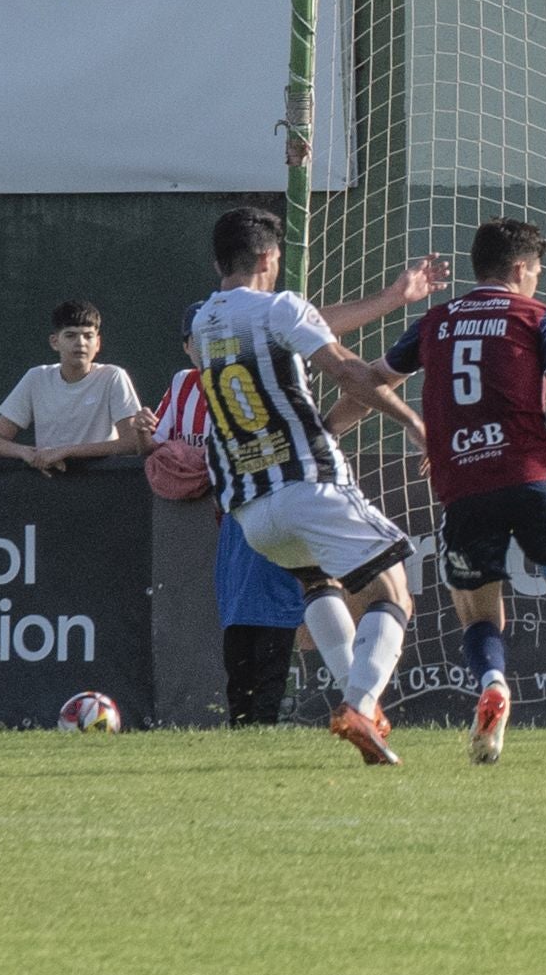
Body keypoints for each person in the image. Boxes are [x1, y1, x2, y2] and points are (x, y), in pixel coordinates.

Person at [351, 219, 546, 768]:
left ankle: (492, 682)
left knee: (479, 614)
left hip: (463, 485)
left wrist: (420, 427)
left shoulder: (435, 322)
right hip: (533, 477)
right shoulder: (537, 319)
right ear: (519, 269)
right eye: (536, 269)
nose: (538, 279)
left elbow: (370, 379)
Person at [151, 257, 446, 727]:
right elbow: (347, 369)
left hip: (249, 506)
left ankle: (358, 706)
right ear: (270, 258)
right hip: (307, 480)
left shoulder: (205, 323)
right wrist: (413, 421)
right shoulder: (278, 308)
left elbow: (307, 320)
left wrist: (391, 299)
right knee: (393, 590)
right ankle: (361, 705)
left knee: (317, 581)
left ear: (216, 261)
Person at [0, 301, 149, 475]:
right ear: (55, 342)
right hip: (49, 485)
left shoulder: (113, 376)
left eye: (88, 336)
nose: (81, 343)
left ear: (98, 343)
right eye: (71, 335)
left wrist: (66, 451)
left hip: (103, 483)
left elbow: (131, 443)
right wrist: (28, 454)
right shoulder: (36, 377)